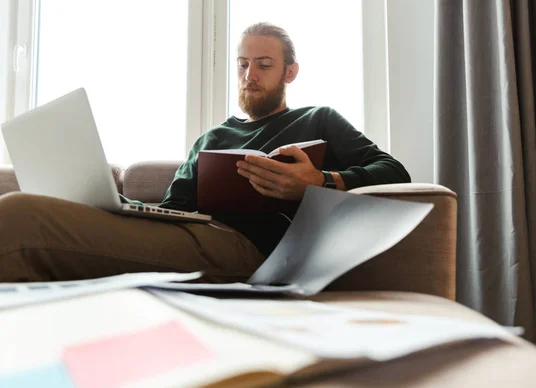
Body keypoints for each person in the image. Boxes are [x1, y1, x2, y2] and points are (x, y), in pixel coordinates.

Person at [0, 22, 410, 283]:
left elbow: (394, 171)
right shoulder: (212, 138)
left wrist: (321, 181)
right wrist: (108, 201)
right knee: (29, 208)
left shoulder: (318, 119)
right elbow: (172, 210)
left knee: (19, 215)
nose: (250, 76)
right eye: (242, 64)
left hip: (254, 250)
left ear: (290, 72)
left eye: (263, 65)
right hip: (191, 235)